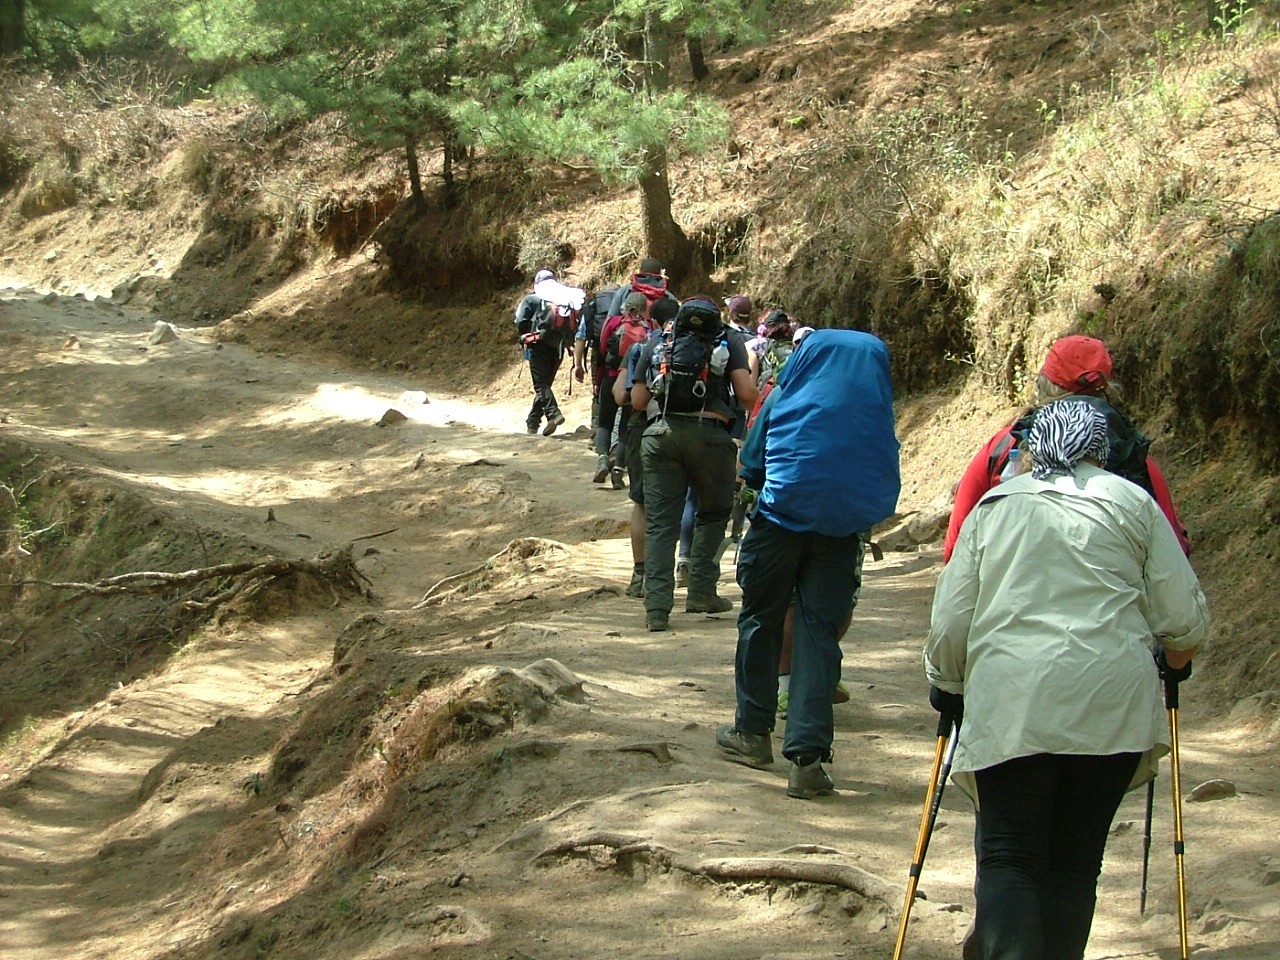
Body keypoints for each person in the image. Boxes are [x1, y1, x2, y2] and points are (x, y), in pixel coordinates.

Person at [924, 399, 1209, 960]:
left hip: (1014, 705)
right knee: (1077, 862)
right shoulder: (1135, 504)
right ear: (1100, 450)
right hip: (1112, 710)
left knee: (1010, 856)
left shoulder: (995, 506)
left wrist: (947, 681)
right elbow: (1184, 619)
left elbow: (952, 620)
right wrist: (1178, 660)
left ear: (1032, 447)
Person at [716, 330, 901, 799]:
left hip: (777, 524)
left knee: (761, 618)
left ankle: (753, 735)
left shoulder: (786, 396)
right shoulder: (874, 412)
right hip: (840, 536)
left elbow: (753, 462)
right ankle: (808, 760)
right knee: (819, 631)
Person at [945, 334, 1190, 562]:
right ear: (1105, 389)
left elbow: (958, 543)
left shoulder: (1004, 446)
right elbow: (1174, 548)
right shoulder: (1132, 456)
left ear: (1043, 384)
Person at [630, 295, 758, 632]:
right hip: (711, 436)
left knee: (661, 523)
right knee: (714, 511)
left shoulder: (659, 339)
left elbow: (638, 400)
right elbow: (746, 395)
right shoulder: (727, 337)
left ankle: (657, 608)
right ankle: (701, 591)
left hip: (661, 436)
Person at [614, 297, 680, 598]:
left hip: (645, 429)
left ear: (651, 321)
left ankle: (640, 574)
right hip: (687, 427)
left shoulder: (642, 346)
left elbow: (622, 397)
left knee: (642, 502)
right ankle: (684, 570)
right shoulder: (697, 345)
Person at [594, 291, 654, 487]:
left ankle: (602, 458)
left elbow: (602, 348)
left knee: (604, 422)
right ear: (645, 308)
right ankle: (618, 471)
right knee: (625, 428)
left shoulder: (614, 323)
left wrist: (598, 376)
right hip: (634, 381)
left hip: (612, 377)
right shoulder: (650, 327)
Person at [514, 269, 583, 436]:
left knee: (541, 384)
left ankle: (554, 414)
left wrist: (526, 333)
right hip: (559, 346)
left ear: (537, 283)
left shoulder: (532, 299)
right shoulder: (564, 298)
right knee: (545, 385)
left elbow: (520, 321)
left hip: (538, 345)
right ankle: (533, 422)